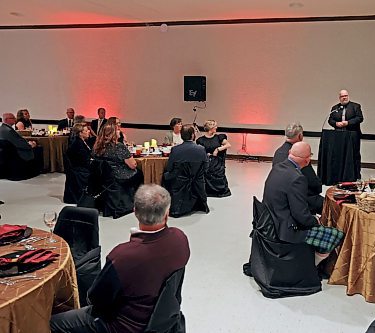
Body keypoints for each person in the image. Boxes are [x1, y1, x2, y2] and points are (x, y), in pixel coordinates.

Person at [50, 184, 190, 333]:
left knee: (52, 323)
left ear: (134, 211)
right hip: (164, 321)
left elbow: (96, 299)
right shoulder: (180, 239)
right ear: (167, 213)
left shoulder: (123, 256)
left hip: (123, 326)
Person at [264, 141, 333, 265]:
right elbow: (300, 216)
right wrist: (316, 221)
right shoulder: (297, 178)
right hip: (286, 230)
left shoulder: (277, 168)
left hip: (269, 223)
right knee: (332, 236)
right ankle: (310, 268)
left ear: (290, 153)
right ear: (307, 161)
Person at [273, 123, 323, 215]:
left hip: (281, 198)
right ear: (300, 136)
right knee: (330, 206)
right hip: (300, 198)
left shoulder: (277, 153)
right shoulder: (300, 156)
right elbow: (314, 184)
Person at [327, 89, 364, 179]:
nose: (344, 98)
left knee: (354, 155)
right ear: (339, 98)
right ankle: (339, 175)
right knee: (339, 155)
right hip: (339, 136)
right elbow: (330, 120)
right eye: (342, 96)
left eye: (346, 96)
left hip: (353, 136)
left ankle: (355, 175)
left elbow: (359, 118)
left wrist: (348, 123)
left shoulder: (355, 106)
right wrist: (336, 124)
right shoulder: (335, 108)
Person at [196, 120, 231, 197]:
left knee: (215, 169)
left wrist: (218, 149)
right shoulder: (200, 140)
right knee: (206, 169)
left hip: (217, 160)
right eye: (215, 126)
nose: (216, 127)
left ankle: (218, 190)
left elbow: (228, 145)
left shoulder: (219, 137)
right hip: (207, 160)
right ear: (210, 128)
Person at [0, 112, 41, 180]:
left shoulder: (2, 129)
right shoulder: (9, 131)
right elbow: (21, 144)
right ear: (7, 120)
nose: (15, 119)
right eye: (13, 118)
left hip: (6, 154)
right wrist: (30, 145)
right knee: (39, 148)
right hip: (17, 153)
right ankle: (38, 170)